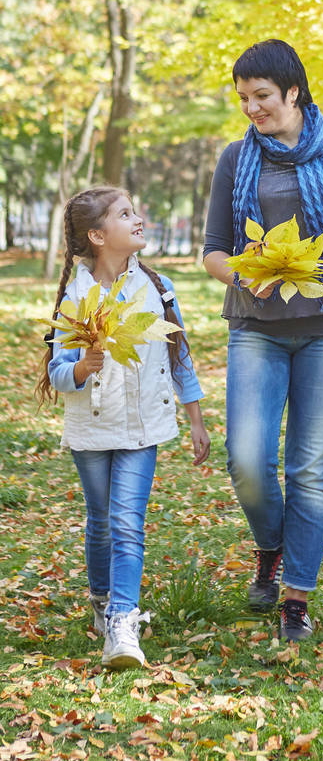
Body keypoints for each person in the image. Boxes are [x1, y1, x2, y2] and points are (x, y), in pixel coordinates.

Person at [203, 38, 323, 641]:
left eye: (262, 96)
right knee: (249, 460)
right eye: (243, 99)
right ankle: (272, 546)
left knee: (310, 467)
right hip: (255, 326)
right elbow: (212, 250)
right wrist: (245, 272)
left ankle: (295, 599)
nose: (252, 108)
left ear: (294, 92)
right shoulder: (236, 158)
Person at [36, 187, 211, 669]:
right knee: (101, 522)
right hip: (92, 426)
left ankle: (121, 621)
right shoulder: (76, 298)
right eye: (126, 214)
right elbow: (57, 372)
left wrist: (194, 417)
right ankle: (101, 601)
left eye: (137, 210)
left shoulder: (157, 288)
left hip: (144, 425)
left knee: (127, 523)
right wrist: (83, 366)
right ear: (97, 235)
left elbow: (180, 355)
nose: (139, 219)